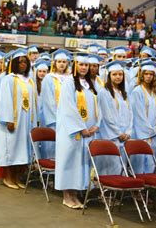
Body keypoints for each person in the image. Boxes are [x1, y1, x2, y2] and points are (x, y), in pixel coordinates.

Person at [55, 53, 100, 209]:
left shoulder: (91, 84)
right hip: (72, 132)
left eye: (86, 65)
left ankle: (76, 194)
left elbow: (98, 107)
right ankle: (67, 196)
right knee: (69, 161)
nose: (83, 67)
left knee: (81, 164)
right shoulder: (68, 82)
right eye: (80, 64)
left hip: (88, 132)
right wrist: (81, 128)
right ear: (74, 65)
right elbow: (68, 107)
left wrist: (96, 125)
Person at [0, 49, 37, 190]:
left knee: (21, 150)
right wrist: (8, 120)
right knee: (11, 149)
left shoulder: (30, 80)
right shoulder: (8, 79)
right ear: (14, 64)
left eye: (25, 62)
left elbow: (34, 102)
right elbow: (5, 101)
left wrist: (34, 121)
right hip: (13, 122)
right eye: (20, 62)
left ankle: (17, 177)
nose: (23, 65)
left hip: (26, 122)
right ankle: (8, 177)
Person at [97, 61, 132, 175]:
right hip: (110, 134)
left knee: (122, 164)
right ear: (109, 76)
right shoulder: (104, 92)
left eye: (120, 74)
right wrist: (118, 133)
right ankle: (106, 190)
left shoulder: (124, 93)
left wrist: (127, 131)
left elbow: (130, 114)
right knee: (111, 165)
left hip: (124, 135)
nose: (118, 77)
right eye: (114, 74)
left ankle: (118, 190)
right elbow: (107, 116)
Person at [129, 61, 156, 174]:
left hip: (153, 134)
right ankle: (137, 189)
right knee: (140, 161)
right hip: (141, 133)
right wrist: (150, 130)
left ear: (154, 76)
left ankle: (149, 188)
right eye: (146, 74)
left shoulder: (155, 93)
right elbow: (138, 114)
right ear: (142, 75)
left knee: (151, 161)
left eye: (151, 74)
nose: (148, 76)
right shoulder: (137, 91)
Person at [40, 48, 70, 158]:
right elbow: (48, 101)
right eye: (59, 62)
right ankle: (49, 170)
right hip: (53, 119)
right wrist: (57, 118)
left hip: (67, 119)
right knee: (51, 144)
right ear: (55, 63)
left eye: (64, 62)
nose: (62, 64)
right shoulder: (49, 78)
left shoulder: (70, 78)